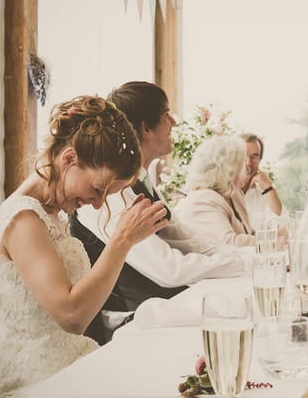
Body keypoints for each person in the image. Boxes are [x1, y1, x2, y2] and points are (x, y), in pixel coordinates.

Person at [0, 96, 167, 396]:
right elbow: (72, 316)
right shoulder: (23, 219)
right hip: (40, 383)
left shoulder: (51, 213)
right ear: (69, 159)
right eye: (97, 189)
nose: (96, 204)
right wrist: (122, 242)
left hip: (74, 365)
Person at [71, 82, 248, 344]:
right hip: (132, 324)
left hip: (165, 307)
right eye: (167, 115)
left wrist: (259, 258)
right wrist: (248, 264)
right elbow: (170, 271)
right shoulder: (108, 194)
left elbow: (193, 243)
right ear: (146, 127)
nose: (174, 122)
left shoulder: (143, 182)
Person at [175, 135, 255, 247]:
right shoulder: (202, 199)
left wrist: (274, 234)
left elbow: (250, 233)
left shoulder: (234, 194)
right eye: (241, 164)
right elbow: (229, 243)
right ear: (228, 169)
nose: (245, 167)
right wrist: (271, 239)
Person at [239, 133, 284, 230]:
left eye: (254, 157)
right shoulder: (223, 191)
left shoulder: (263, 190)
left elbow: (282, 223)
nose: (248, 163)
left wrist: (268, 187)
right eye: (244, 156)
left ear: (260, 159)